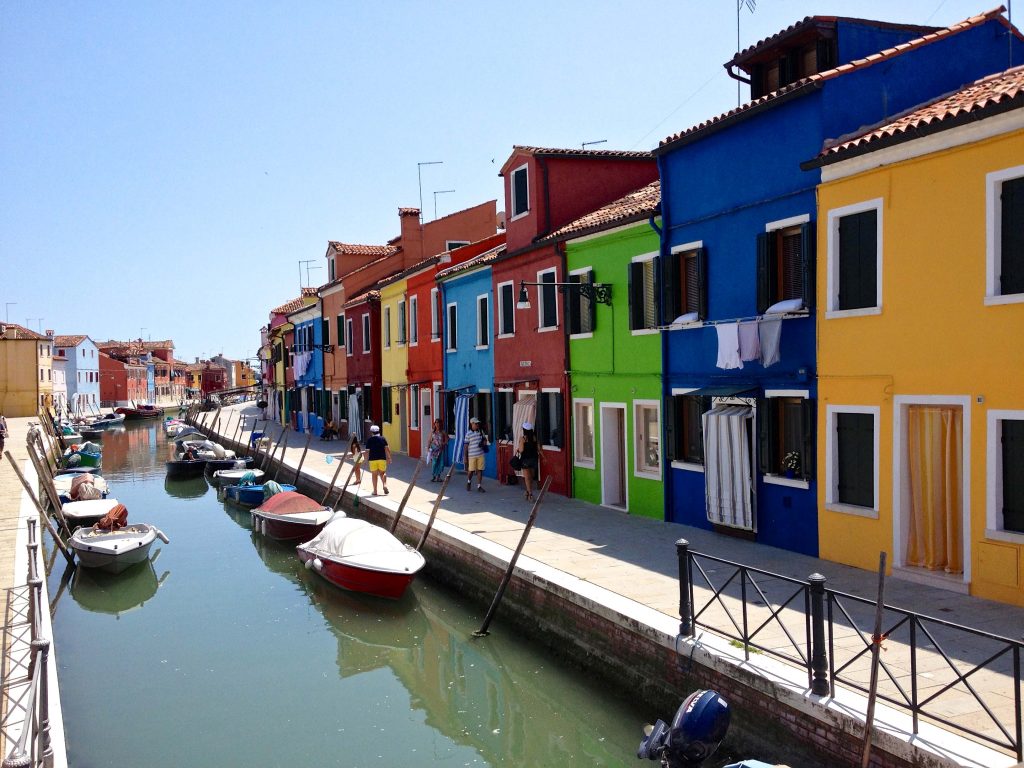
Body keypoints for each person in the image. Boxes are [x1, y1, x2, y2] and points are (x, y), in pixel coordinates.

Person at [463, 416, 488, 493]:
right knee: (471, 471)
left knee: (480, 470)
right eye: (476, 424)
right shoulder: (468, 434)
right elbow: (466, 446)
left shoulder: (481, 432)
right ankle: (469, 481)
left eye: (478, 424)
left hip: (480, 454)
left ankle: (479, 486)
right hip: (472, 455)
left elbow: (485, 439)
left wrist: (484, 442)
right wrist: (465, 457)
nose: (477, 425)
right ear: (472, 424)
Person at [517, 421, 541, 502]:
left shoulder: (523, 438)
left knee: (527, 477)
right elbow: (538, 449)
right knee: (531, 476)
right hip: (534, 459)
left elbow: (521, 450)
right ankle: (528, 491)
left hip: (525, 460)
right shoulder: (534, 438)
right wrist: (544, 458)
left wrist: (518, 448)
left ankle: (530, 494)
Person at [364, 425, 391, 495]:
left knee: (374, 475)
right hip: (382, 459)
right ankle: (384, 484)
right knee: (383, 473)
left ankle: (375, 491)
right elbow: (387, 449)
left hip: (372, 459)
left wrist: (365, 460)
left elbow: (367, 451)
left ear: (372, 432)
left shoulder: (369, 440)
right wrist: (389, 458)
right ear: (378, 431)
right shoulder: (383, 439)